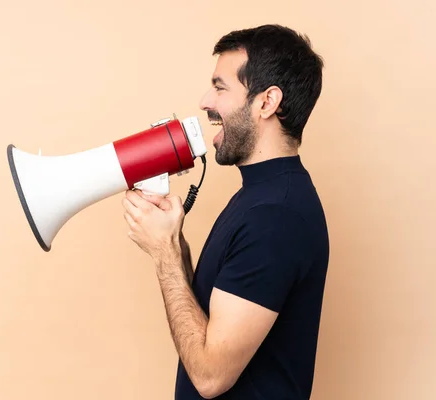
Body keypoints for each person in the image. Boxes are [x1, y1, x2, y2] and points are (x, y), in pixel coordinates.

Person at [121, 24, 329, 399]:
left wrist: (163, 255)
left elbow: (210, 376)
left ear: (267, 102)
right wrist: (176, 246)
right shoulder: (260, 195)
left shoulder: (276, 218)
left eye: (220, 87)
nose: (205, 101)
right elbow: (210, 322)